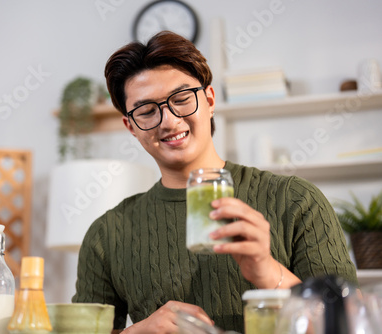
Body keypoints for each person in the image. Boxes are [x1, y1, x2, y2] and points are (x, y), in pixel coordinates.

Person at [72, 31, 357, 333]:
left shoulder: (296, 200)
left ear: (209, 100)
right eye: (147, 111)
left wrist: (266, 270)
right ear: (131, 126)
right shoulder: (107, 232)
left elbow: (347, 323)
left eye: (181, 99)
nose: (169, 120)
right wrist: (136, 331)